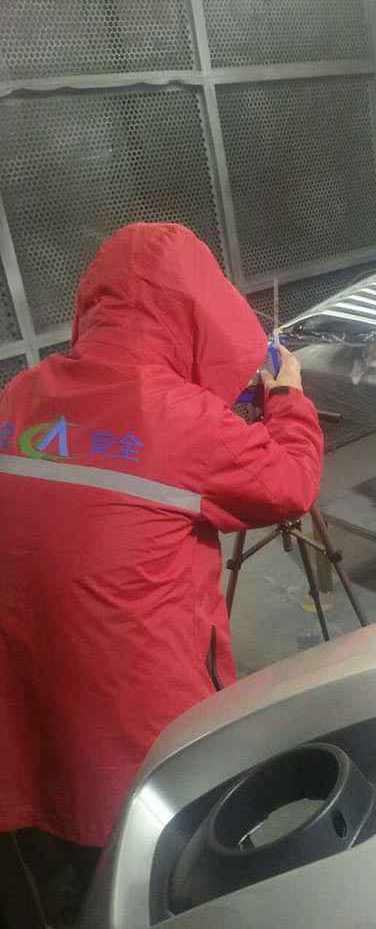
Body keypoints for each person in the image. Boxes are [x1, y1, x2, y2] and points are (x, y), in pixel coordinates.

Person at [0, 222, 323, 926]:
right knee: (168, 881)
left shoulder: (20, 394)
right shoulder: (179, 416)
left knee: (62, 874)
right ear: (198, 310)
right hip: (136, 735)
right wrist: (287, 397)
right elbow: (291, 483)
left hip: (24, 714)